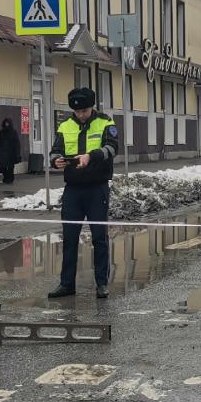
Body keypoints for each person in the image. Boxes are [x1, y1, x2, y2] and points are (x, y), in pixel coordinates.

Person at [48, 87, 119, 299]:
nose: (81, 115)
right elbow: (55, 149)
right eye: (78, 112)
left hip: (97, 188)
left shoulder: (106, 122)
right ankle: (67, 284)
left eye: (85, 111)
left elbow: (113, 148)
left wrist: (91, 156)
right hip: (73, 189)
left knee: (100, 238)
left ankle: (102, 284)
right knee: (69, 238)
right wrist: (56, 160)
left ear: (92, 107)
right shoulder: (65, 125)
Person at [0, 117, 21, 184]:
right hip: (2, 152)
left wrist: (17, 153)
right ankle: (5, 177)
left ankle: (10, 178)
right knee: (3, 166)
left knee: (10, 167)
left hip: (11, 153)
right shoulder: (1, 132)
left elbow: (17, 143)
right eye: (5, 123)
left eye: (8, 123)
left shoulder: (13, 132)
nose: (6, 124)